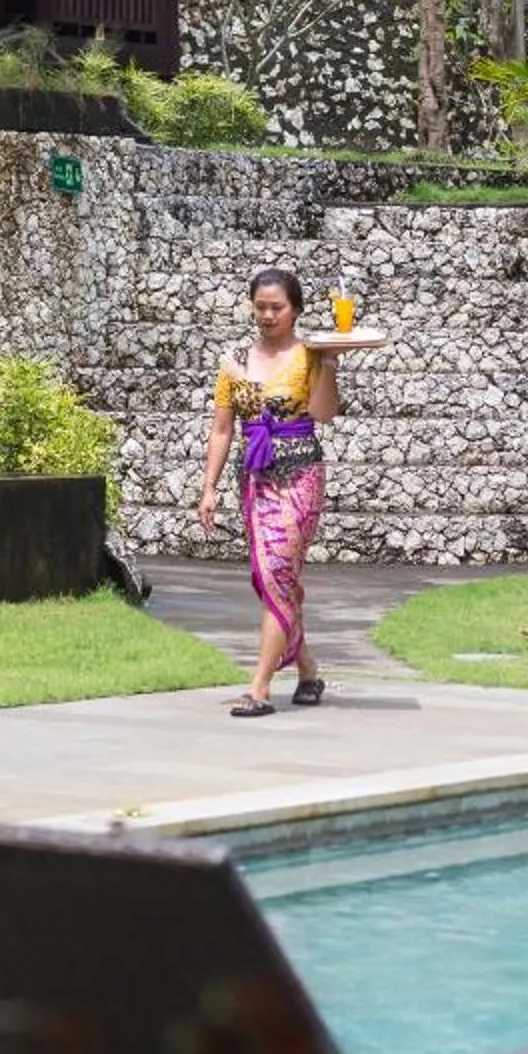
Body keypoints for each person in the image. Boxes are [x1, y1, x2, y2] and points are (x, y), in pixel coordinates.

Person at [197, 266, 341, 718]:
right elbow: (222, 429)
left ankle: (258, 687)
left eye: (276, 307)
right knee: (277, 581)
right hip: (255, 477)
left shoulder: (309, 354)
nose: (267, 315)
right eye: (260, 307)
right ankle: (308, 669)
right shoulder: (234, 359)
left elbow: (323, 413)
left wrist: (331, 364)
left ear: (295, 310)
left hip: (300, 474)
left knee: (278, 571)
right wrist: (209, 488)